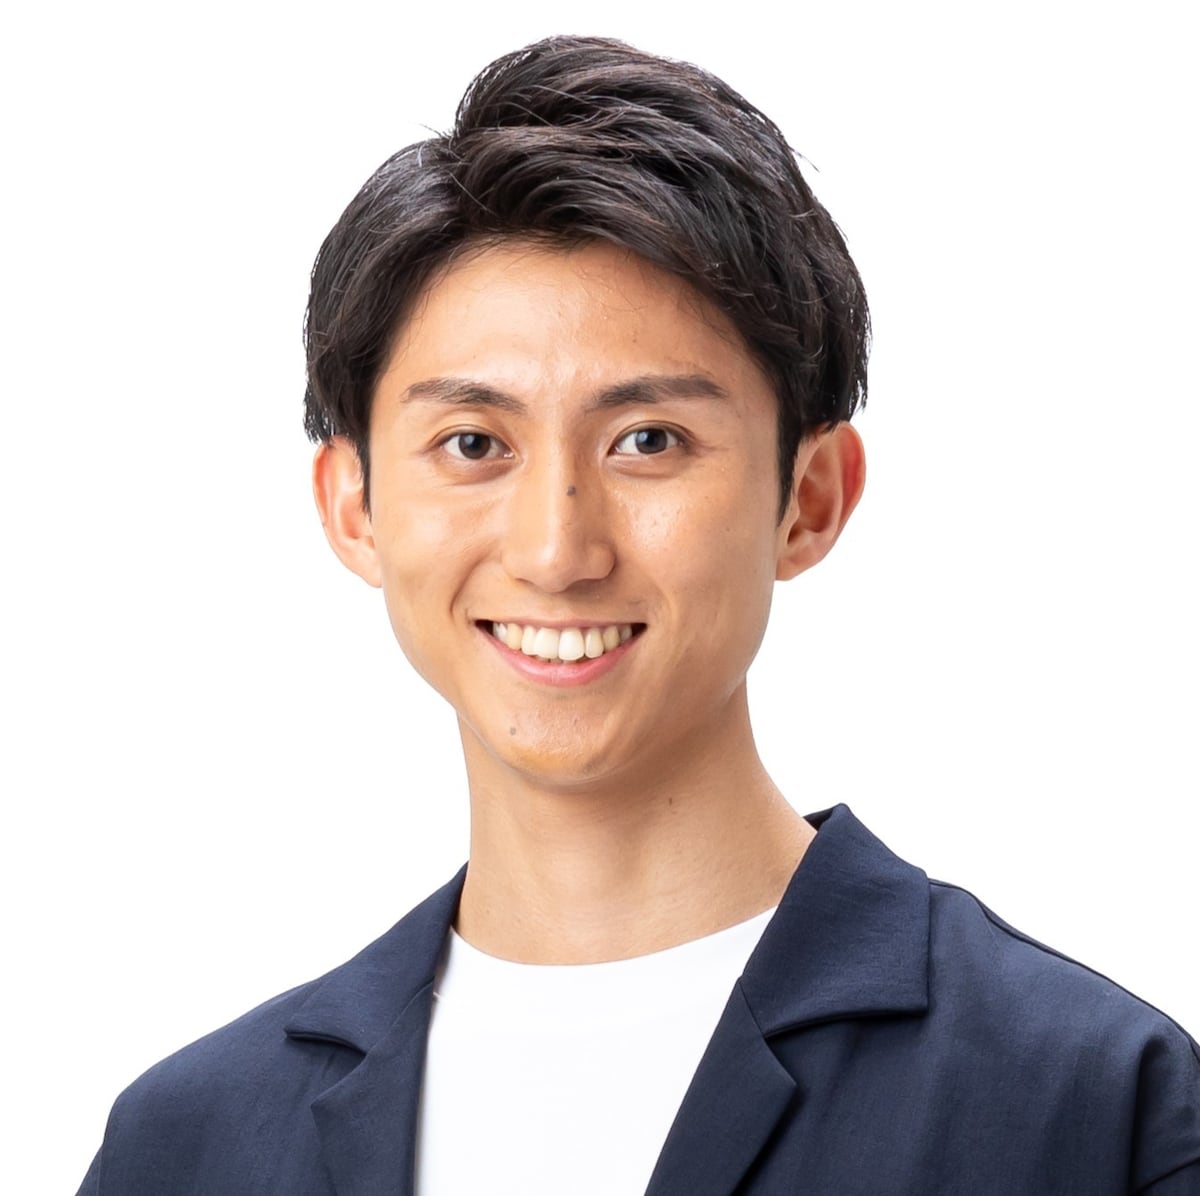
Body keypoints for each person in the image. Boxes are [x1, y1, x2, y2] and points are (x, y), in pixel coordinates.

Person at [77, 35, 1199, 1196]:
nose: (556, 551)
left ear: (810, 498)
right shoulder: (187, 1146)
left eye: (648, 440)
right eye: (474, 443)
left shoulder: (1089, 1108)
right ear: (353, 505)